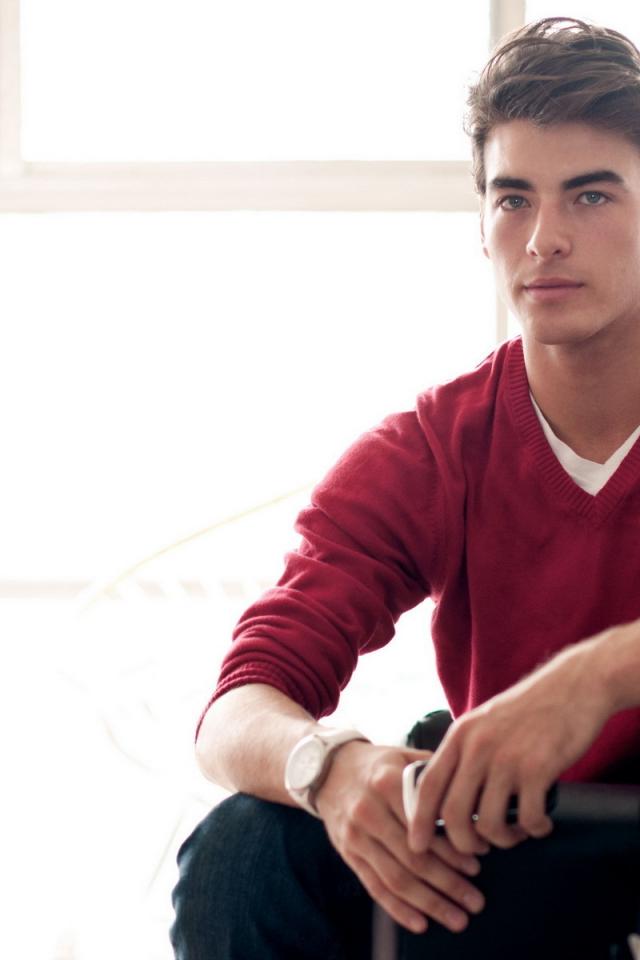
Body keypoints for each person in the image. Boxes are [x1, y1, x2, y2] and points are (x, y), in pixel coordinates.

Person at [171, 17, 640, 959]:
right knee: (243, 851)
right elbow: (238, 710)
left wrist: (599, 675)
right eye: (514, 200)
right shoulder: (432, 448)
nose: (544, 239)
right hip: (523, 848)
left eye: (591, 195)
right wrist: (330, 770)